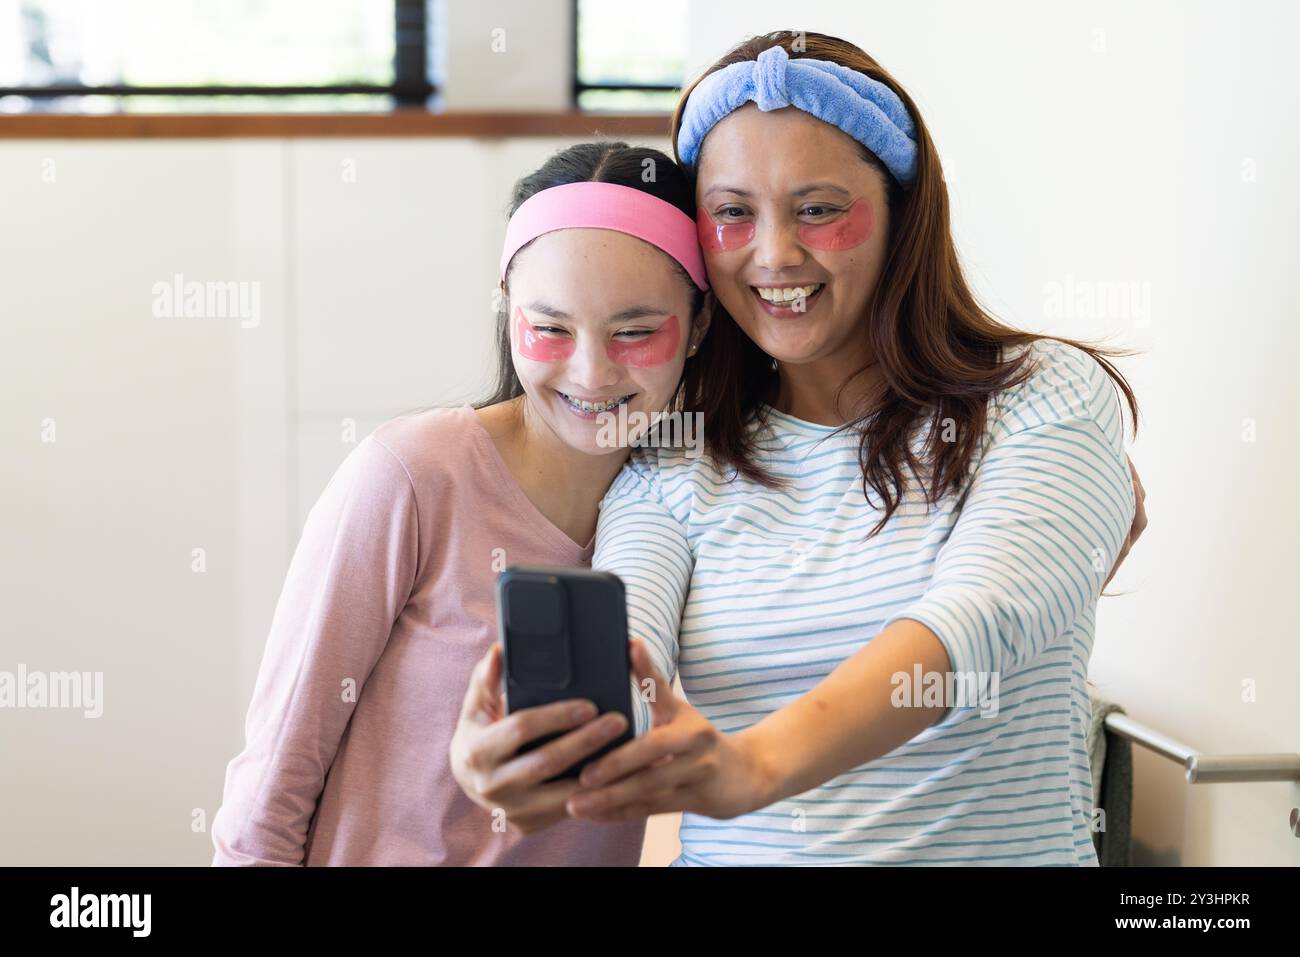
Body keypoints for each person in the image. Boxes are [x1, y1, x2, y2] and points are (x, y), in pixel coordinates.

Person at [462, 31, 1149, 866]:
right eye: (733, 213)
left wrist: (753, 764)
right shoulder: (677, 453)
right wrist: (542, 740)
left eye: (819, 209)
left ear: (903, 212)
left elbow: (978, 624)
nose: (776, 253)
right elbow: (628, 642)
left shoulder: (1042, 396)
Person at [210, 142, 711, 865]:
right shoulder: (411, 477)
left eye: (635, 331)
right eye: (551, 328)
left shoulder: (697, 504)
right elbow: (276, 776)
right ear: (509, 314)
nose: (592, 372)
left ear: (698, 327)